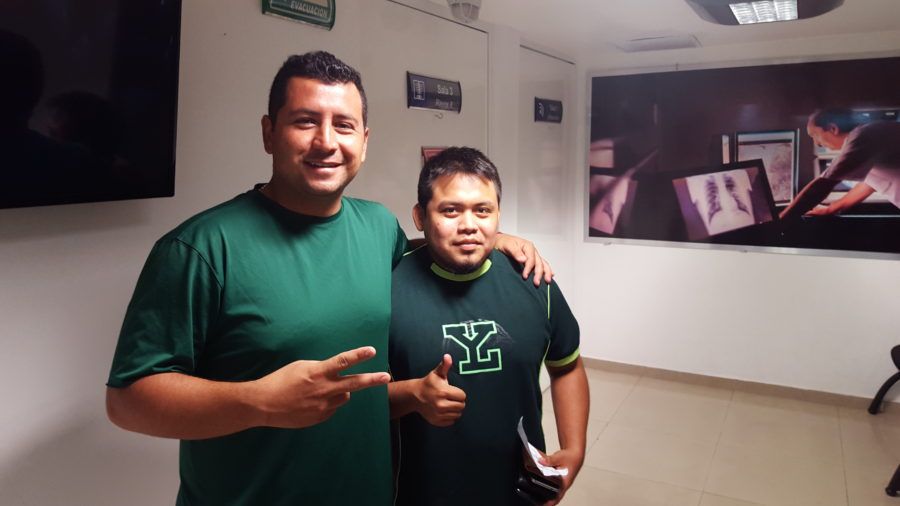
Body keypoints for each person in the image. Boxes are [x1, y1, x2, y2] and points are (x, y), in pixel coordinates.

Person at [105, 51, 551, 505]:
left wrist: (492, 238)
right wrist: (258, 401)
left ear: (364, 140)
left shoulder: (378, 227)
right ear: (269, 133)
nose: (326, 141)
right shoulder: (200, 249)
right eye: (305, 121)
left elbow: (430, 251)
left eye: (344, 125)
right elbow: (127, 401)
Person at [388, 147, 589, 506]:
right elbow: (353, 399)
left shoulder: (534, 281)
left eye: (483, 210)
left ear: (498, 215)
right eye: (450, 210)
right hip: (419, 490)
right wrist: (413, 396)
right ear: (419, 216)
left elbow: (567, 366)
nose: (469, 225)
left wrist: (574, 449)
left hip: (519, 490)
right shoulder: (387, 287)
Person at [779, 109, 900, 219]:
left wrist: (781, 221)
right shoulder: (868, 134)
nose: (817, 143)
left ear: (833, 129)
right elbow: (870, 185)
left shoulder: (861, 136)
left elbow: (823, 184)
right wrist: (831, 209)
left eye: (815, 135)